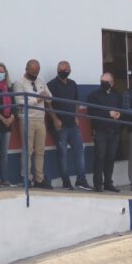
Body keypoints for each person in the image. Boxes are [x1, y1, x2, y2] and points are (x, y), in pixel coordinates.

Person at [47, 61, 92, 191]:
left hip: (72, 125)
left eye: (67, 69)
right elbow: (48, 104)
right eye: (62, 68)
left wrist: (76, 116)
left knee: (79, 151)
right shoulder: (52, 85)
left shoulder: (72, 84)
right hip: (60, 126)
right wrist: (55, 119)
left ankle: (81, 180)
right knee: (63, 154)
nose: (65, 71)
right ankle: (66, 182)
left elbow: (76, 101)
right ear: (58, 69)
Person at [13, 59, 53, 189]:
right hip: (27, 119)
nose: (35, 75)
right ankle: (26, 178)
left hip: (40, 119)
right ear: (27, 69)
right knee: (28, 150)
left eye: (37, 72)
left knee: (40, 150)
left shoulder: (40, 81)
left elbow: (49, 96)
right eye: (33, 72)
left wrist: (44, 96)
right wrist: (38, 99)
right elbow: (20, 101)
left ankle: (39, 179)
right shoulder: (19, 83)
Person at [86, 72, 123, 193]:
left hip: (115, 130)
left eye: (107, 82)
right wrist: (108, 114)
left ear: (112, 83)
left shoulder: (117, 95)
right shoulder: (94, 96)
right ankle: (98, 184)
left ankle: (108, 182)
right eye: (102, 81)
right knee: (99, 157)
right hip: (101, 130)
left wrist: (119, 114)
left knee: (110, 158)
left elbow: (122, 108)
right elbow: (92, 112)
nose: (104, 84)